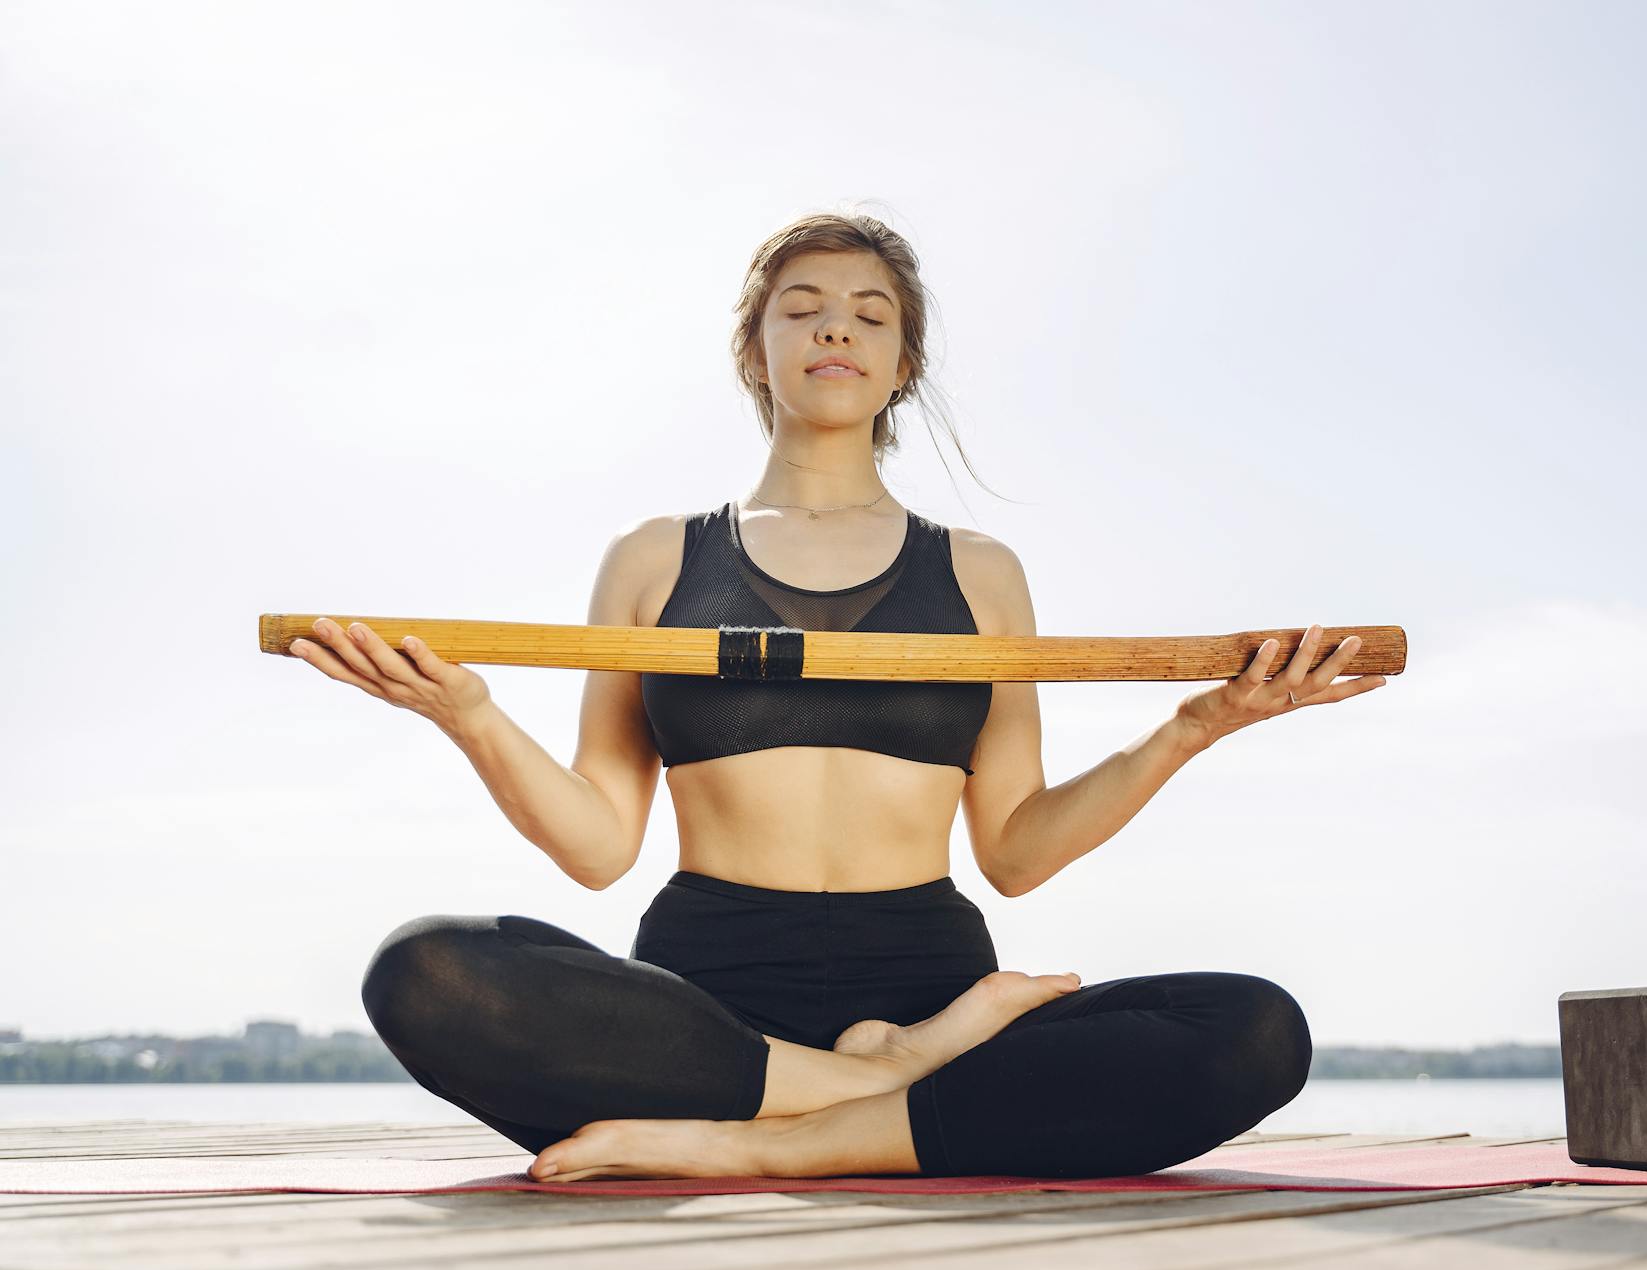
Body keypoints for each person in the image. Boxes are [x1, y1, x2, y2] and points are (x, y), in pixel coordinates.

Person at [292, 211, 1388, 1183]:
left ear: (902, 361)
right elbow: (596, 845)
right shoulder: (654, 558)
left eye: (869, 315)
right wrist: (469, 716)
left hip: (929, 977)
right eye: (802, 309)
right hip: (708, 1009)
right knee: (425, 970)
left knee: (1250, 1030)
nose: (834, 331)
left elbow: (1014, 849)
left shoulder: (979, 572)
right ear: (753, 350)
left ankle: (760, 1140)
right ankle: (891, 1095)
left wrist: (1195, 725)